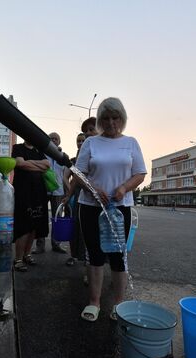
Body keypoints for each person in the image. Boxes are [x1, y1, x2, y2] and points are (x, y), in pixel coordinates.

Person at [74, 98, 146, 322]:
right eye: (106, 118)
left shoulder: (131, 142)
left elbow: (140, 173)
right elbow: (78, 173)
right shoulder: (91, 143)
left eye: (116, 118)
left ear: (122, 119)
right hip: (90, 207)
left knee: (118, 256)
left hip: (120, 207)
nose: (111, 122)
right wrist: (94, 188)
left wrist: (124, 187)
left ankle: (118, 304)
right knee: (94, 254)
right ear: (100, 120)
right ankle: (94, 302)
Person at [11, 141, 50, 272]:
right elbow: (20, 163)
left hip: (39, 191)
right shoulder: (17, 148)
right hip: (23, 191)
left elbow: (47, 165)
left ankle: (27, 255)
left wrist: (29, 163)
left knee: (34, 224)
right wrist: (39, 166)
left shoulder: (39, 150)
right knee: (23, 225)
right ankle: (18, 259)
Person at [33, 132, 69, 254]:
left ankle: (56, 244)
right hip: (43, 190)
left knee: (57, 218)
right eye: (51, 139)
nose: (53, 140)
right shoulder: (41, 153)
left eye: (56, 139)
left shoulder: (63, 156)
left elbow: (66, 176)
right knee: (41, 217)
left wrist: (67, 192)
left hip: (58, 192)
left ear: (59, 142)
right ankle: (40, 245)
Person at [63, 132, 88, 266]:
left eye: (83, 141)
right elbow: (65, 177)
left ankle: (86, 258)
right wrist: (70, 191)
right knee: (73, 226)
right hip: (75, 196)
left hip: (88, 195)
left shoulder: (91, 156)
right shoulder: (73, 160)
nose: (80, 143)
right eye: (78, 141)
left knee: (86, 228)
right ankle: (73, 256)